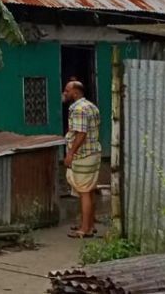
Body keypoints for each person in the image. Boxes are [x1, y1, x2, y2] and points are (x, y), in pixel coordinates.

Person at [63, 80, 101, 239]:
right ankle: (90, 225)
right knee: (89, 190)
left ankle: (84, 230)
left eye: (67, 90)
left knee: (84, 192)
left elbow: (81, 133)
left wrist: (70, 154)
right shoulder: (91, 106)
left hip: (83, 155)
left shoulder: (78, 109)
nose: (64, 93)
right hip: (93, 153)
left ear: (75, 93)